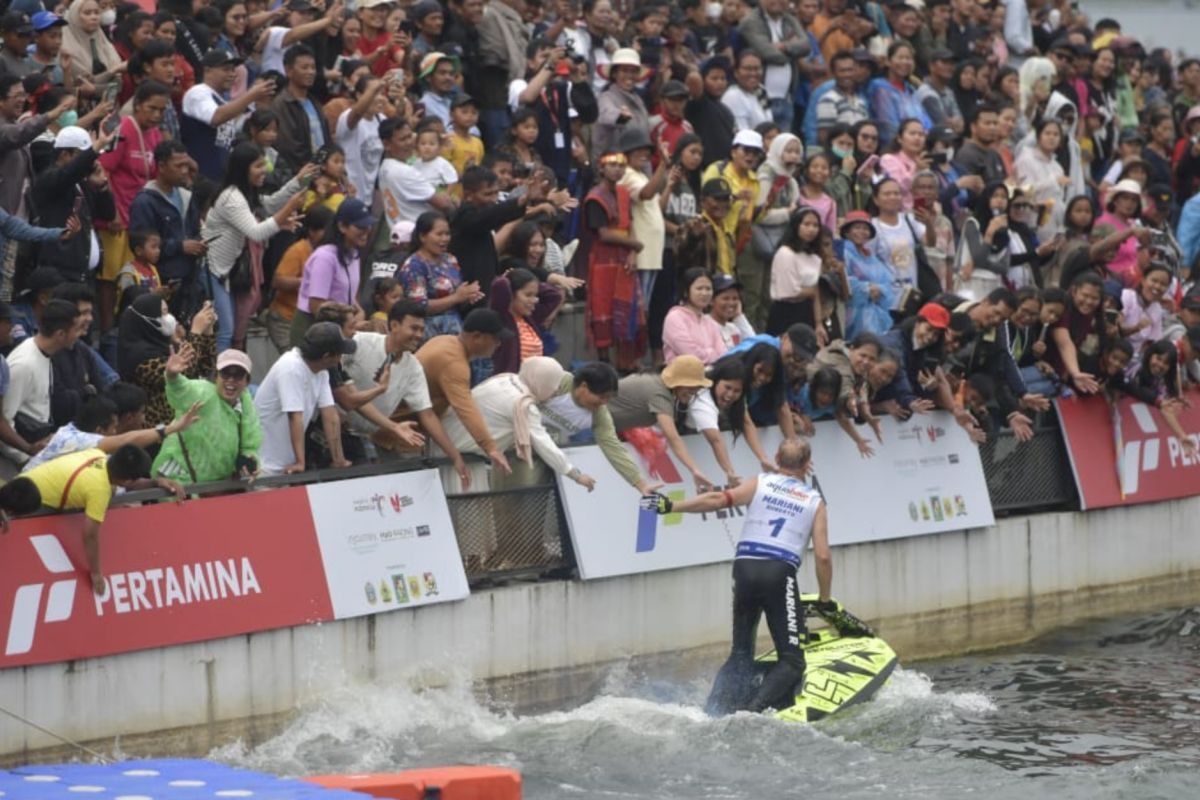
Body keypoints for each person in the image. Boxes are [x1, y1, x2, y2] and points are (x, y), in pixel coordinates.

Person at [641, 437, 832, 716]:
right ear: (807, 465)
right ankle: (751, 713)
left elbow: (719, 499)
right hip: (778, 573)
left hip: (744, 568)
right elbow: (823, 557)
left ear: (776, 460)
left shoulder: (761, 482)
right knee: (792, 661)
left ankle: (712, 711)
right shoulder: (815, 502)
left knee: (741, 653)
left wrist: (670, 507)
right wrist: (825, 599)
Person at [15, 444, 185, 594]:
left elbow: (128, 483)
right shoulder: (98, 490)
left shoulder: (98, 455)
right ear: (127, 478)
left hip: (22, 484)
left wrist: (156, 482)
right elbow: (90, 535)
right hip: (29, 504)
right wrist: (96, 573)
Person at [202, 142, 310, 352]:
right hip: (214, 269)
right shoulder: (231, 197)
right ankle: (221, 379)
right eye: (258, 166)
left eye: (264, 164)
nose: (264, 170)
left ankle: (226, 374)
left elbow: (268, 205)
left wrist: (296, 182)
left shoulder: (245, 194)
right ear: (244, 169)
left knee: (231, 331)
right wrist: (289, 208)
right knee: (225, 331)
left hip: (227, 272)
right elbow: (257, 232)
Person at [414, 308, 512, 475]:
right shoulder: (454, 363)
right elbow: (465, 409)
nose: (498, 344)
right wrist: (491, 448)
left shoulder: (444, 340)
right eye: (495, 339)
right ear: (476, 337)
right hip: (402, 435)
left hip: (411, 431)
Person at [148, 345, 261, 483]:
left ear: (247, 381)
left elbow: (250, 445)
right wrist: (172, 376)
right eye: (225, 373)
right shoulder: (203, 393)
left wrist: (250, 462)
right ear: (216, 377)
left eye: (237, 375)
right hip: (179, 479)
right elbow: (182, 389)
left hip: (217, 486)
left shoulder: (246, 405)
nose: (231, 379)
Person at [254, 321, 353, 476]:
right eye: (340, 353)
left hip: (286, 466)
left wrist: (338, 459)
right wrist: (301, 462)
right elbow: (295, 417)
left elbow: (330, 414)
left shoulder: (321, 372)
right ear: (327, 356)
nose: (341, 358)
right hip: (264, 467)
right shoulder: (291, 368)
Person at [1, 299, 80, 464]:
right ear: (60, 334)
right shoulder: (24, 364)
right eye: (76, 330)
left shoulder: (45, 354)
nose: (80, 335)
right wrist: (27, 458)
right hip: (21, 460)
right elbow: (4, 422)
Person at [118, 294, 217, 426]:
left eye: (167, 311)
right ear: (148, 320)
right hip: (158, 430)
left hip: (184, 421)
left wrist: (207, 330)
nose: (169, 317)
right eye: (163, 313)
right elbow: (185, 371)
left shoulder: (165, 343)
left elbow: (206, 367)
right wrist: (196, 331)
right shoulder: (139, 357)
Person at [291, 197, 374, 346]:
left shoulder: (354, 255)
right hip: (313, 328)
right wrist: (350, 323)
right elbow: (317, 305)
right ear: (342, 226)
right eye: (360, 227)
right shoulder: (325, 257)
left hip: (341, 328)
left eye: (368, 226)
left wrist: (359, 311)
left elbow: (345, 293)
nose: (366, 231)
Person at [181, 49, 276, 180]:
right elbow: (216, 117)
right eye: (226, 69)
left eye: (233, 70)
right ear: (208, 70)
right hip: (199, 178)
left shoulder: (221, 100)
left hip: (218, 179)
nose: (232, 74)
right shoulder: (198, 92)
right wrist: (251, 95)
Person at [128, 139, 205, 292]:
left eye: (186, 165)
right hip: (161, 282)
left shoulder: (186, 196)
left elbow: (195, 230)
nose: (184, 171)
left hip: (190, 280)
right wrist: (180, 246)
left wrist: (199, 243)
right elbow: (141, 246)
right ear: (161, 166)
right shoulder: (145, 202)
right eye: (178, 166)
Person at [487, 267, 562, 374]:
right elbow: (499, 285)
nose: (534, 301)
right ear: (511, 294)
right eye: (528, 295)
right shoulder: (502, 318)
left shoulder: (530, 318)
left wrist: (533, 284)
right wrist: (509, 279)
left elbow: (554, 296)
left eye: (535, 295)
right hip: (510, 385)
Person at [663, 268, 726, 365]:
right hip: (681, 377)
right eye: (699, 288)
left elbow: (723, 355)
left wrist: (708, 354)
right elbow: (690, 354)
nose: (704, 293)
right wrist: (712, 352)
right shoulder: (675, 318)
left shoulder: (710, 322)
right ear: (686, 291)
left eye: (708, 289)